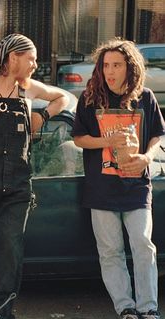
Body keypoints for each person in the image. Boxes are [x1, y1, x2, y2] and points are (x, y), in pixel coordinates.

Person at [0, 34, 69, 319]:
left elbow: (64, 96)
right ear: (13, 57)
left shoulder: (29, 90)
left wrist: (43, 116)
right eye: (32, 58)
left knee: (9, 251)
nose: (35, 64)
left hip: (18, 188)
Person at [72, 39, 165, 319]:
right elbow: (78, 139)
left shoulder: (145, 97)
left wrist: (147, 158)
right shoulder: (89, 98)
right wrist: (107, 140)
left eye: (117, 65)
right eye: (106, 65)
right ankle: (125, 307)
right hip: (101, 189)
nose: (110, 71)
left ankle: (148, 308)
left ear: (130, 67)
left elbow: (158, 135)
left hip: (136, 185)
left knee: (142, 244)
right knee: (110, 251)